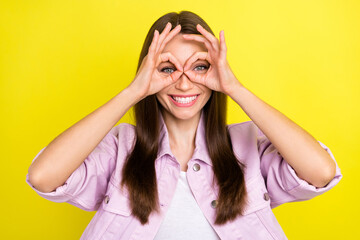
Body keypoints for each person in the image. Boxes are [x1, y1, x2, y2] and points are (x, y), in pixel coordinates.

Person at [26, 10, 342, 240]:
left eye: (200, 67)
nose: (184, 82)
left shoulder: (246, 148)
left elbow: (321, 172)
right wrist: (133, 91)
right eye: (167, 68)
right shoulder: (121, 148)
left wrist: (235, 88)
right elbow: (43, 177)